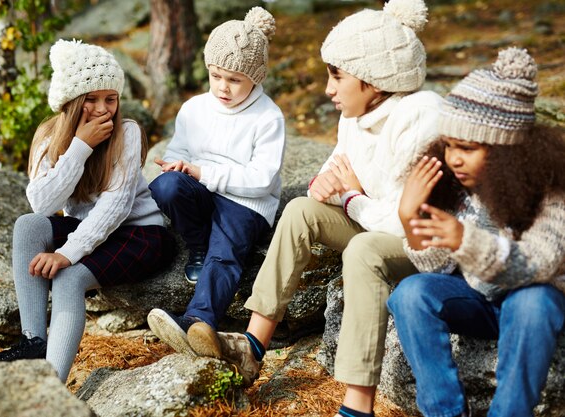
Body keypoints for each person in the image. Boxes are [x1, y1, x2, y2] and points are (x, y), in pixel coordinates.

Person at [187, 1, 443, 416]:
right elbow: (328, 176)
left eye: (337, 75)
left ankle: (358, 404)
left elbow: (406, 219)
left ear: (374, 79)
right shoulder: (355, 114)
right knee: (302, 210)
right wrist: (330, 188)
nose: (328, 89)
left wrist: (350, 197)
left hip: (421, 246)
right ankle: (253, 345)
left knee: (364, 250)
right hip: (373, 221)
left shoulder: (421, 117)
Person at [0, 39, 176, 383]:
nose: (103, 109)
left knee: (69, 276)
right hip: (87, 230)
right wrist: (80, 147)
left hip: (139, 234)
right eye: (90, 100)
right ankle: (33, 342)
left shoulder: (128, 131)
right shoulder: (49, 136)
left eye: (111, 98)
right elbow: (42, 205)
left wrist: (66, 254)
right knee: (28, 224)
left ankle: (51, 387)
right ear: (70, 103)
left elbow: (116, 206)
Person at [387, 47, 565, 417]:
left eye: (467, 148)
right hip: (478, 299)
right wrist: (410, 219)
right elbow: (437, 272)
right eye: (449, 144)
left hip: (529, 302)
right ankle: (445, 411)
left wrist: (466, 240)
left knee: (535, 300)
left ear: (505, 151)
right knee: (410, 294)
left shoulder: (550, 188)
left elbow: (540, 262)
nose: (453, 158)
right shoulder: (456, 184)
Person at [146, 7, 286, 355]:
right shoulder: (194, 108)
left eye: (235, 79)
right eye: (216, 75)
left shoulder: (267, 117)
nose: (223, 87)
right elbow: (180, 150)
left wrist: (203, 172)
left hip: (245, 203)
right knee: (166, 187)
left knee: (225, 255)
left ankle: (198, 323)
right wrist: (176, 166)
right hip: (203, 192)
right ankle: (198, 247)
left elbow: (262, 179)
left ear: (256, 77)